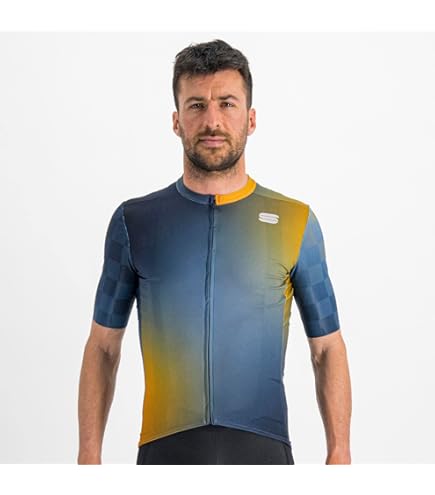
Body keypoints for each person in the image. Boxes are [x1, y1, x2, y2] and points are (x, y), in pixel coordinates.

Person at [77, 39, 352, 465]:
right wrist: (88, 458)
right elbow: (103, 347)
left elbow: (327, 347)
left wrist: (340, 453)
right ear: (176, 121)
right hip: (166, 452)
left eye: (227, 104)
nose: (212, 121)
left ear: (251, 118)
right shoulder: (135, 221)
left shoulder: (296, 221)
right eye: (196, 105)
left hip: (263, 452)